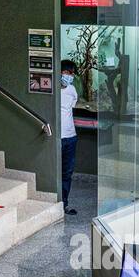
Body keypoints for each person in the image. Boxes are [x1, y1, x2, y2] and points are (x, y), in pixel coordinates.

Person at [60, 59, 79, 215]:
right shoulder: (51, 90)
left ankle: (64, 204)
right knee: (56, 171)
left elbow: (71, 107)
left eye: (72, 73)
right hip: (57, 138)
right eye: (67, 72)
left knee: (67, 173)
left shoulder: (72, 90)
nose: (69, 76)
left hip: (71, 137)